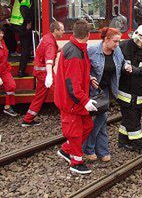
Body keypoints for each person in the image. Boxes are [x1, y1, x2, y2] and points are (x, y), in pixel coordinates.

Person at [55, 19, 96, 174]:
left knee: (87, 126)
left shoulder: (75, 48)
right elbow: (72, 83)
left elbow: (75, 77)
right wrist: (84, 100)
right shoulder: (75, 52)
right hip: (71, 101)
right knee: (75, 131)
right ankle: (76, 162)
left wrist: (89, 78)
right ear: (88, 35)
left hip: (73, 99)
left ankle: (66, 150)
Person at [83, 27, 124, 162]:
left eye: (119, 41)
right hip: (92, 91)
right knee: (100, 119)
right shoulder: (92, 51)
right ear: (106, 39)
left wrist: (128, 65)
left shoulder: (116, 51)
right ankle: (92, 149)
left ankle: (99, 151)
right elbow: (82, 67)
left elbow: (122, 63)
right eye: (115, 41)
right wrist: (89, 77)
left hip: (105, 91)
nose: (117, 45)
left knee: (102, 119)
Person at [117, 24, 142, 154]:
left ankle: (123, 141)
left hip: (140, 90)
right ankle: (140, 146)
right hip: (125, 91)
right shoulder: (123, 47)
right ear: (135, 36)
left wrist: (136, 70)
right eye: (141, 41)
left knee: (132, 117)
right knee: (133, 120)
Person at [21, 21, 65, 127]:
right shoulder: (50, 43)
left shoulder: (47, 37)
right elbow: (49, 60)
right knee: (61, 92)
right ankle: (69, 117)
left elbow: (53, 50)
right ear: (56, 31)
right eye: (62, 30)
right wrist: (49, 75)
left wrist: (66, 48)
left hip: (40, 72)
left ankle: (27, 119)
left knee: (40, 96)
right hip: (44, 73)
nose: (63, 32)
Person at [9, 0, 35, 77]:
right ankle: (21, 71)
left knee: (25, 45)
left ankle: (27, 58)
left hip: (15, 24)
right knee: (26, 47)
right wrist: (28, 22)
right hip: (21, 24)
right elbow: (24, 9)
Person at [0, 27, 17, 117]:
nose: (1, 35)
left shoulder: (2, 43)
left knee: (11, 86)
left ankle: (8, 106)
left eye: (2, 33)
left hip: (4, 70)